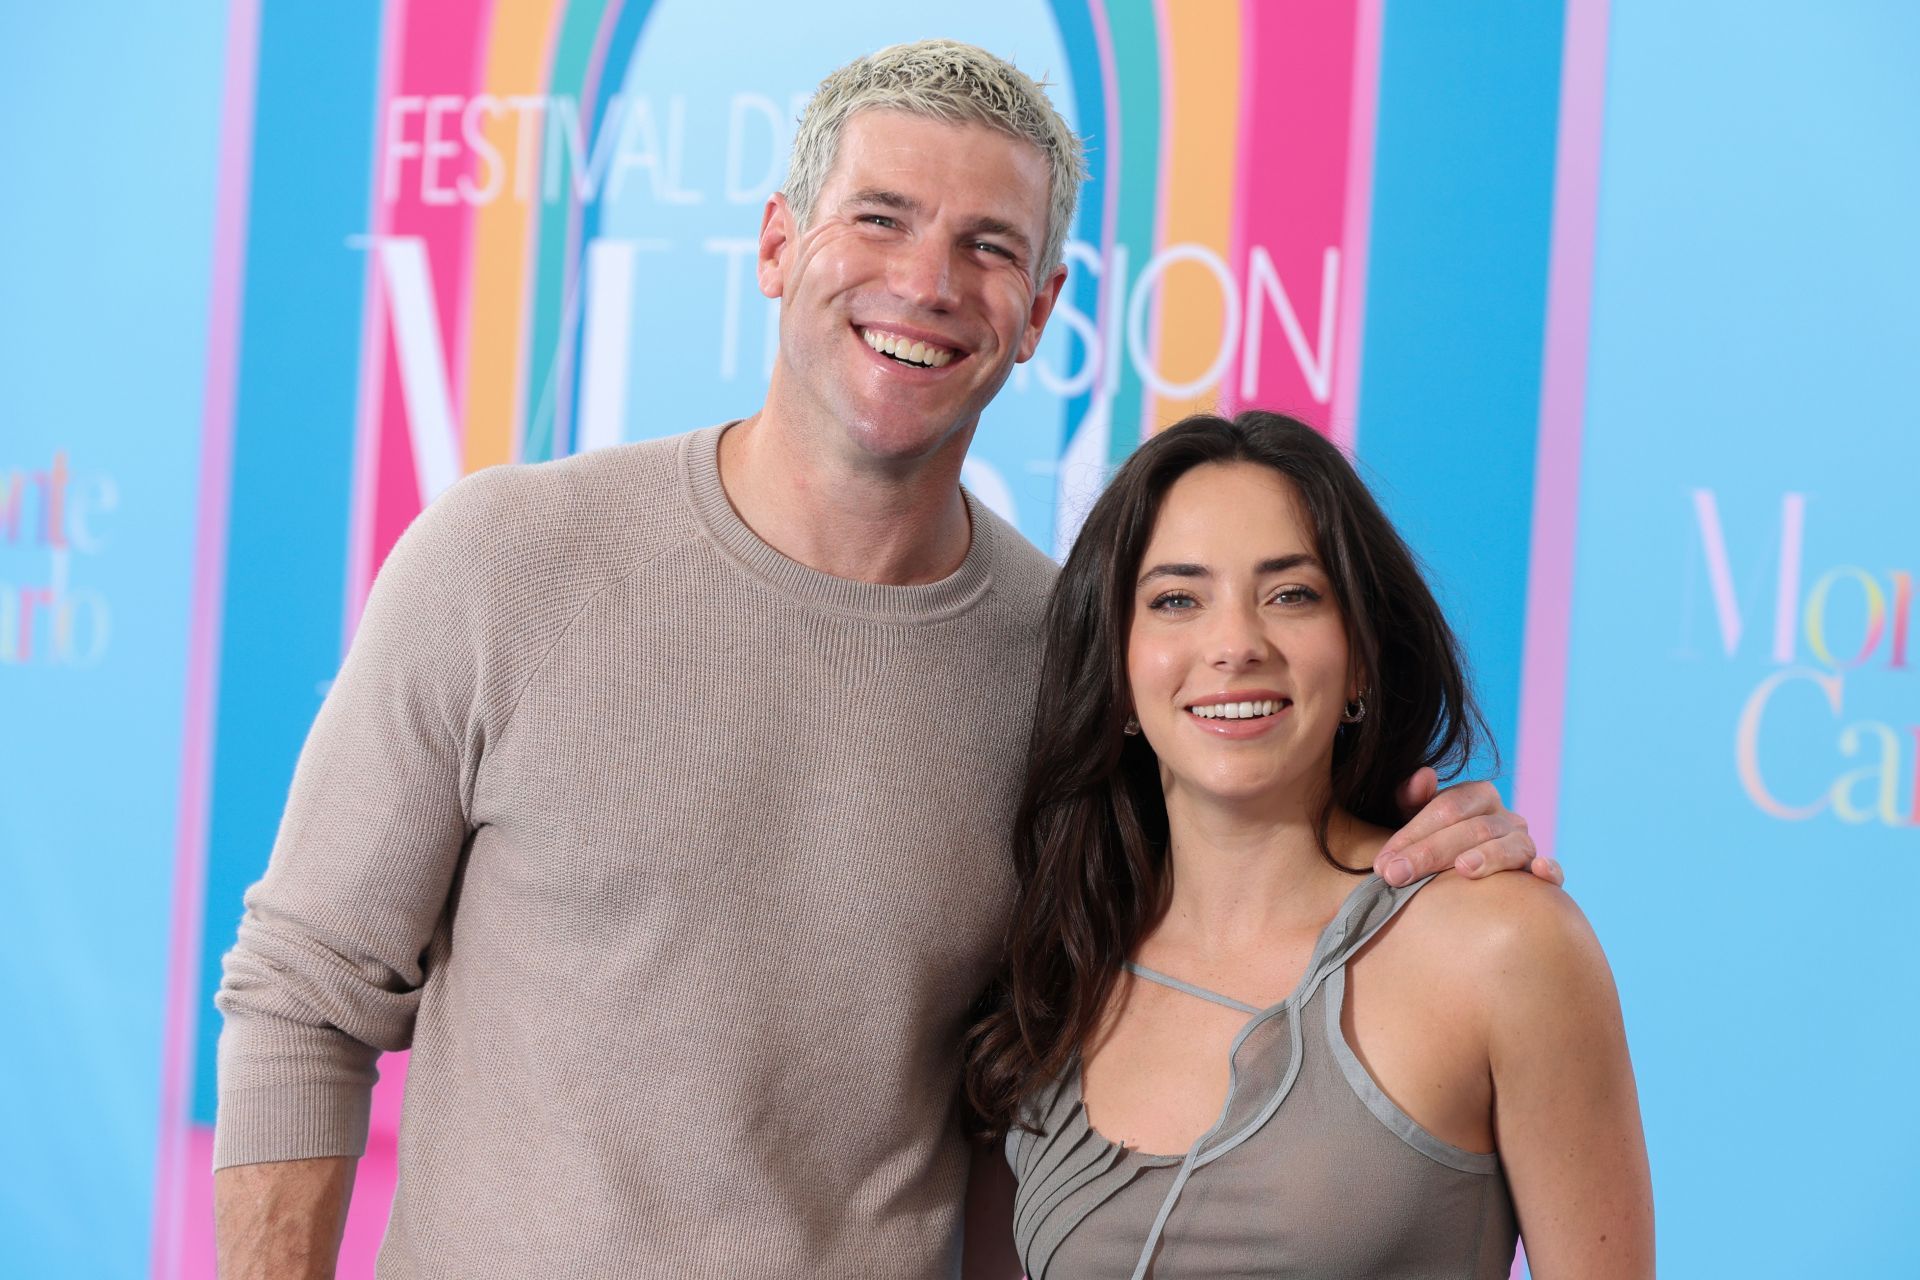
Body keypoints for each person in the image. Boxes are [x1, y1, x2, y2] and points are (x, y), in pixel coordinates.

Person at [212, 43, 1553, 1279]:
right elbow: (300, 1002)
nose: (925, 281)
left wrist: (1444, 850)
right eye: (880, 218)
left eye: (986, 246)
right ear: (780, 243)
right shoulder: (507, 559)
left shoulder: (1078, 664)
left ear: (1038, 312)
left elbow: (1241, 895)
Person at [962, 411, 1652, 1279]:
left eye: (1291, 594)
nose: (1235, 645)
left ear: (1360, 657)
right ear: (1119, 671)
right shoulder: (1056, 966)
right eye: (1177, 599)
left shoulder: (1503, 946)